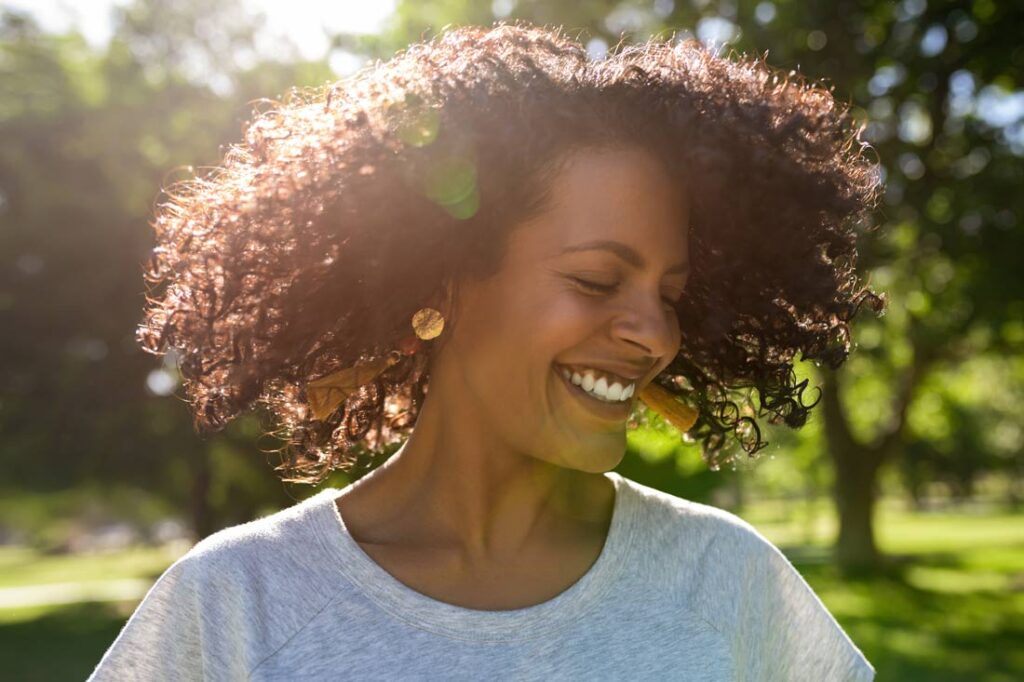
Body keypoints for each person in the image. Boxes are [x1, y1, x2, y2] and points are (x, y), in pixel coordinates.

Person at [89, 22, 883, 681]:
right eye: (599, 280)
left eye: (670, 296)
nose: (655, 335)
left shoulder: (726, 581)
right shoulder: (238, 604)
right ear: (441, 284)